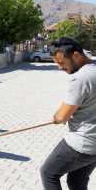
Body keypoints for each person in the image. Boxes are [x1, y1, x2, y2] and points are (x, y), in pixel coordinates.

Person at [40, 37, 96, 190]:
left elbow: (61, 116)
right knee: (77, 181)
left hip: (83, 142)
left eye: (62, 63)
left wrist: (56, 117)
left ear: (76, 56)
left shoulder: (81, 78)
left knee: (48, 173)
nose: (59, 67)